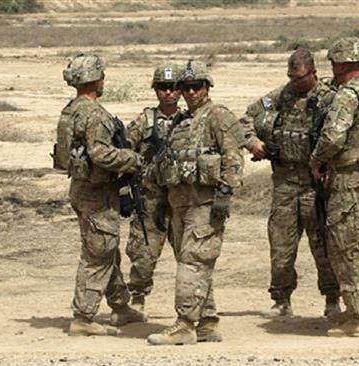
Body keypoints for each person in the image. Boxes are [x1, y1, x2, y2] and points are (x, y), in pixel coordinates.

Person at [147, 60, 246, 345]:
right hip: (179, 203)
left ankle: (185, 324)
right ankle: (206, 321)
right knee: (193, 263)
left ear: (207, 87)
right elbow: (166, 164)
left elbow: (233, 160)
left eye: (195, 86)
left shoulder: (218, 117)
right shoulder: (180, 122)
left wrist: (225, 196)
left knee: (193, 262)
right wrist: (162, 203)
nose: (189, 92)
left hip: (205, 204)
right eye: (184, 87)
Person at [240, 48, 341, 318]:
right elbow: (244, 121)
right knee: (281, 246)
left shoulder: (329, 99)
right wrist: (254, 143)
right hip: (284, 183)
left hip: (315, 186)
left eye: (299, 78)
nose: (294, 83)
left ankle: (332, 299)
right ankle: (281, 300)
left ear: (313, 74)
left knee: (323, 246)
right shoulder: (280, 97)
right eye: (290, 77)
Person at [57, 54, 146, 336]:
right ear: (96, 80)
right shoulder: (95, 114)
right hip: (97, 193)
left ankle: (120, 306)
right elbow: (100, 154)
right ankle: (83, 317)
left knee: (106, 250)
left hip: (82, 189)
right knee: (98, 254)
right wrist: (133, 159)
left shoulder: (71, 110)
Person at [309, 38, 359, 338]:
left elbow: (333, 136)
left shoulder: (348, 95)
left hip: (349, 175)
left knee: (346, 244)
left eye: (334, 64)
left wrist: (316, 161)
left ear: (343, 65)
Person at [124, 63, 182, 317]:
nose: (168, 93)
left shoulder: (190, 120)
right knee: (143, 255)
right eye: (162, 87)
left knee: (189, 256)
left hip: (182, 198)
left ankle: (192, 303)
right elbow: (124, 153)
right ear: (155, 90)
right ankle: (137, 296)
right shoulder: (144, 122)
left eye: (172, 87)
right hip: (150, 198)